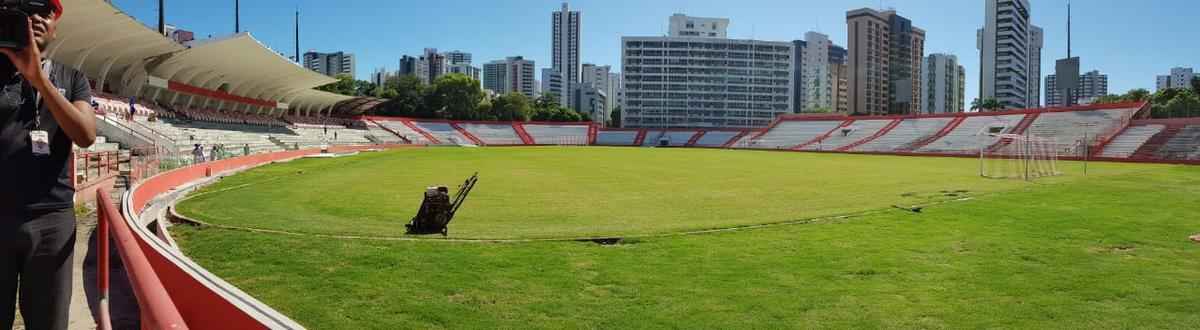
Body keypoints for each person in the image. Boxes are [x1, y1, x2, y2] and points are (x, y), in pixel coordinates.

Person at [0, 1, 97, 329]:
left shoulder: (72, 77)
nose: (37, 19)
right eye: (28, 12)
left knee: (49, 322)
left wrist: (40, 81)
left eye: (46, 12)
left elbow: (85, 135)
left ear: (55, 26)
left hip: (52, 219)